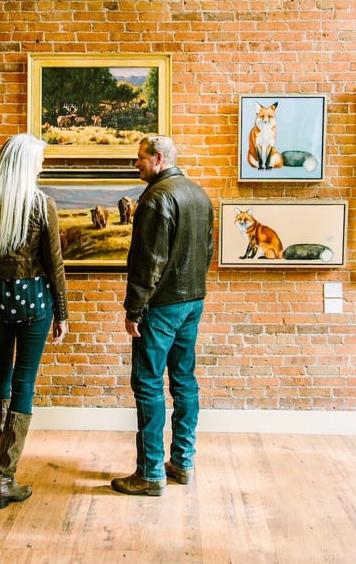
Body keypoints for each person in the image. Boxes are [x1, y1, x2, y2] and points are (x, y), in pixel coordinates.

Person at [0, 133, 69, 509]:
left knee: (0, 376)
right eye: (39, 160)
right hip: (34, 302)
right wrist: (63, 313)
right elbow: (54, 264)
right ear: (26, 164)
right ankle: (7, 477)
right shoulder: (42, 205)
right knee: (24, 381)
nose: (42, 166)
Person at [111, 135, 214, 497]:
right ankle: (182, 463)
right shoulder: (199, 194)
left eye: (139, 158)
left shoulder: (156, 198)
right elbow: (207, 251)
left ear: (157, 159)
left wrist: (133, 309)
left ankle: (151, 472)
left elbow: (148, 261)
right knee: (184, 381)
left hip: (160, 306)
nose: (135, 164)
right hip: (192, 302)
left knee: (149, 383)